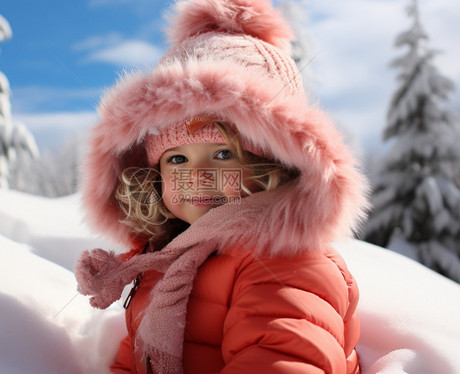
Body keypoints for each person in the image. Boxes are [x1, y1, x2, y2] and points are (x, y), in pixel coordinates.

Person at [74, 0, 369, 373]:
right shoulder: (167, 258)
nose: (197, 176)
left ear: (273, 167)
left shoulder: (284, 260)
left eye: (223, 155)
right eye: (177, 159)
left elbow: (282, 358)